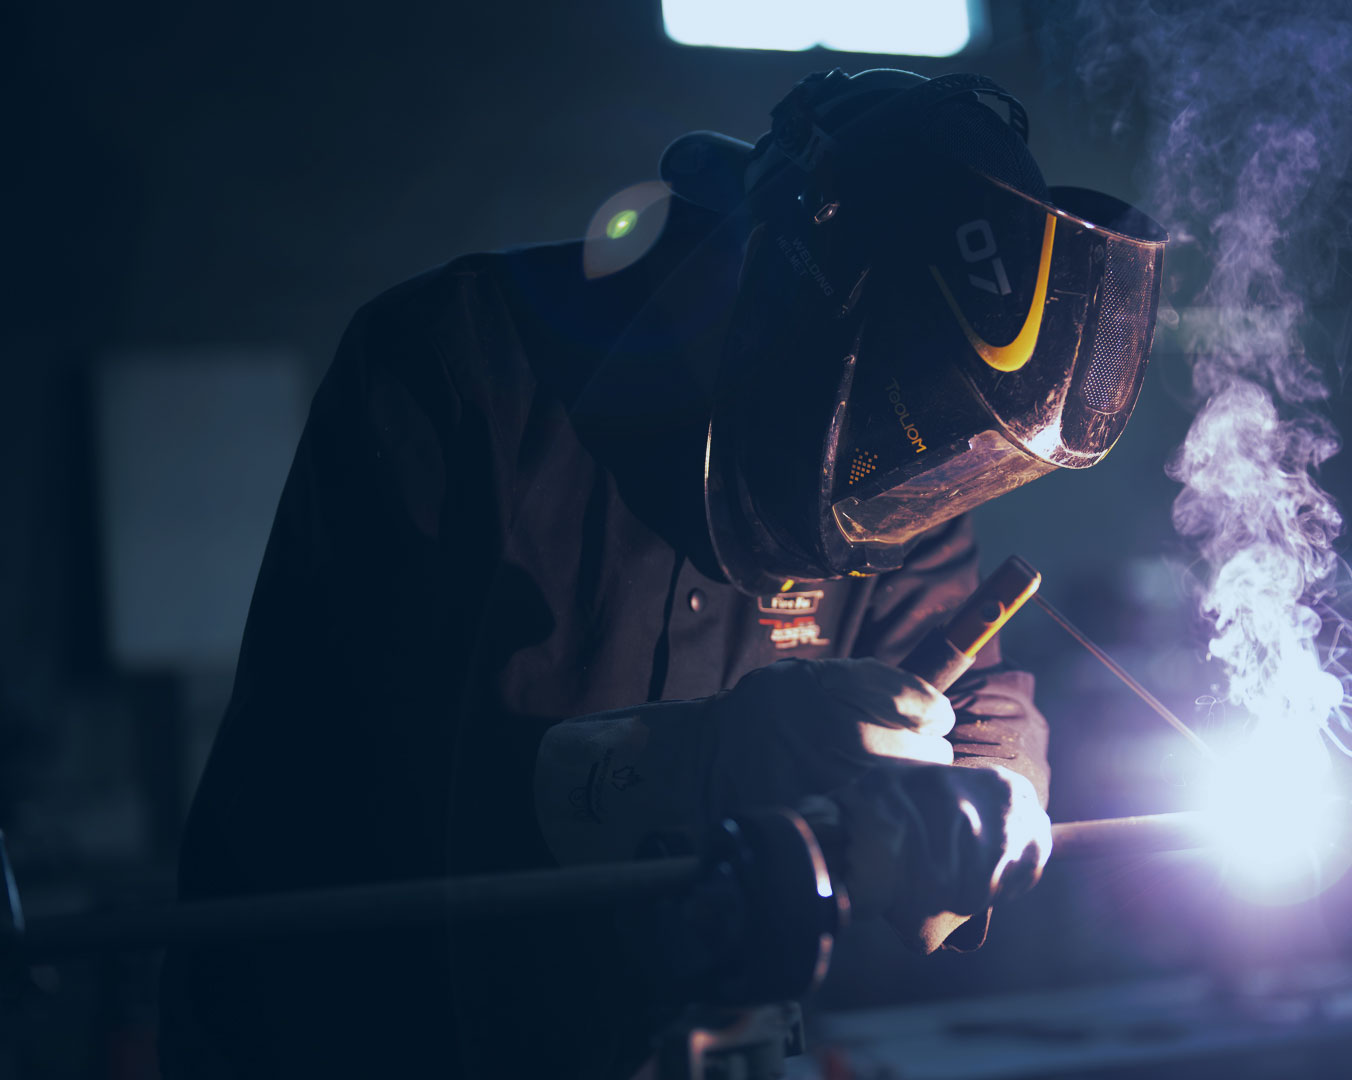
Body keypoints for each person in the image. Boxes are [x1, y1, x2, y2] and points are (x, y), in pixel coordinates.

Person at [159, 68, 1164, 1079]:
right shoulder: (455, 365)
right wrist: (679, 767)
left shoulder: (903, 486)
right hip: (372, 1040)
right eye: (894, 429)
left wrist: (988, 788)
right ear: (791, 292)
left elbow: (936, 852)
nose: (904, 484)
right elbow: (335, 804)